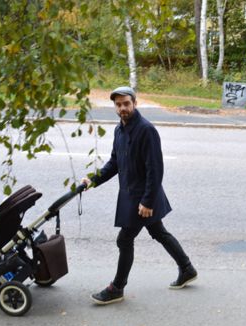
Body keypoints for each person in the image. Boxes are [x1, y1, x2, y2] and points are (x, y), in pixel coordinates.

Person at [81, 86, 197, 305]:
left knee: (124, 240)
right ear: (114, 106)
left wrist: (147, 201)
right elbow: (115, 162)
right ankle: (187, 268)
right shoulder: (119, 130)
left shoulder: (146, 130)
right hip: (131, 195)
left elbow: (156, 169)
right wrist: (93, 180)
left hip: (142, 198)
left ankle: (117, 288)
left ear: (135, 103)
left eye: (126, 103)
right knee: (159, 232)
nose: (123, 108)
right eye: (118, 104)